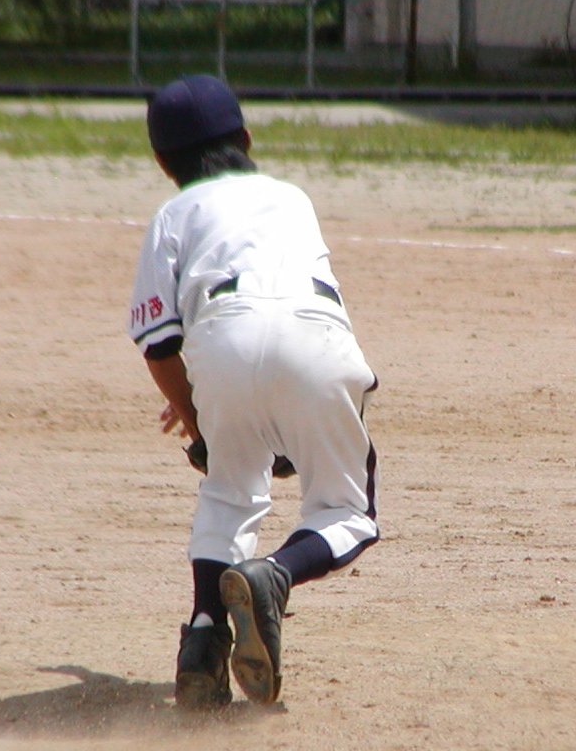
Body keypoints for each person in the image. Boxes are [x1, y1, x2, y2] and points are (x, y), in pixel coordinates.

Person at [127, 75, 380, 709]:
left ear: (162, 162)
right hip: (315, 339)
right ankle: (277, 573)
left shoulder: (171, 215)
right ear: (245, 138)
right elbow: (286, 327)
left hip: (219, 346)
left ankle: (203, 637)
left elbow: (159, 343)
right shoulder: (292, 197)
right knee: (346, 513)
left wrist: (200, 422)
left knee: (229, 492)